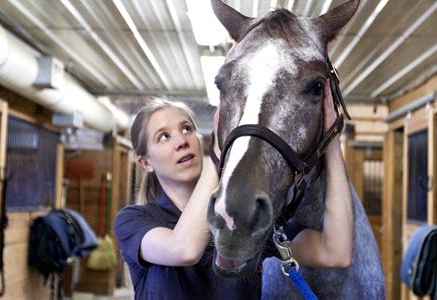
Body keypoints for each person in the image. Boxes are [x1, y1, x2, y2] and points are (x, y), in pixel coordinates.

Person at [114, 82, 353, 299]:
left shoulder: (243, 214)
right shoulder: (133, 221)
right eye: (164, 137)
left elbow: (335, 253)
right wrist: (218, 152)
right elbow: (184, 250)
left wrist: (331, 142)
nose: (181, 141)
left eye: (186, 129)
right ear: (145, 163)